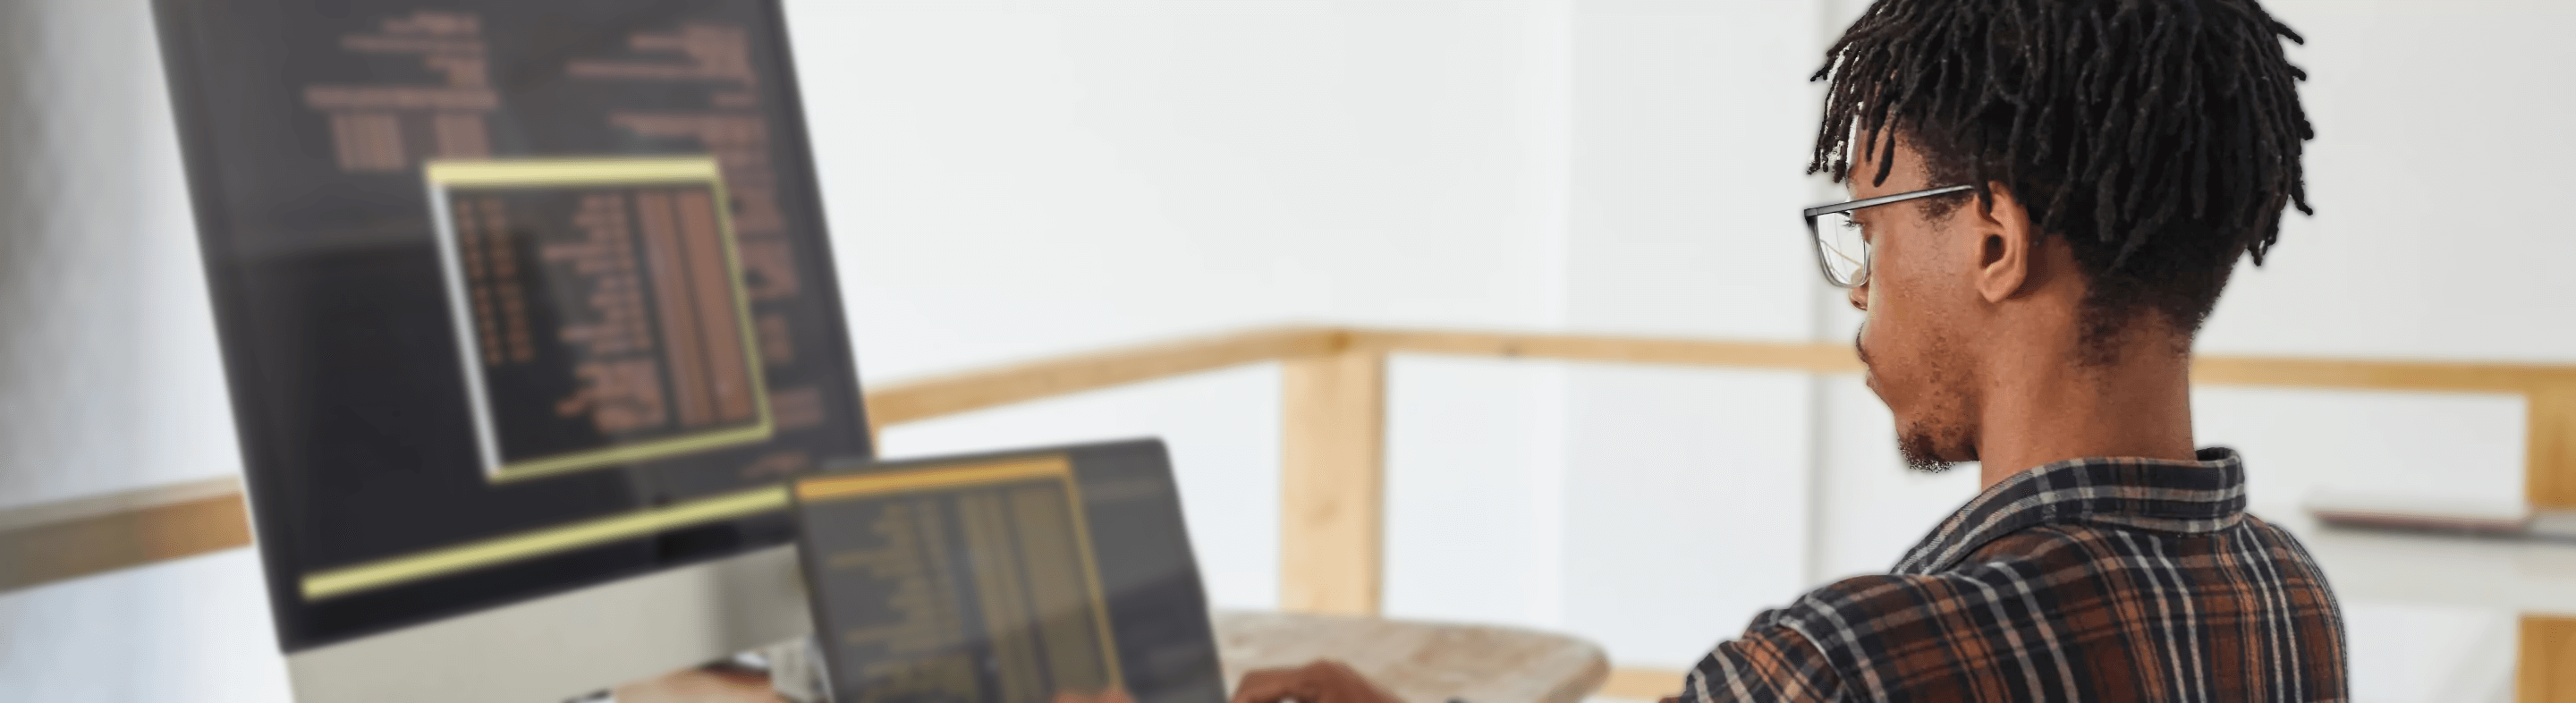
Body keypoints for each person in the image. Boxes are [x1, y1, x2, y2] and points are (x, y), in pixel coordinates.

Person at [1232, 0, 2347, 700]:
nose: (1862, 298)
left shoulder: (1854, 664)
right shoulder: (2286, 597)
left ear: (1995, 240)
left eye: (1871, 229)